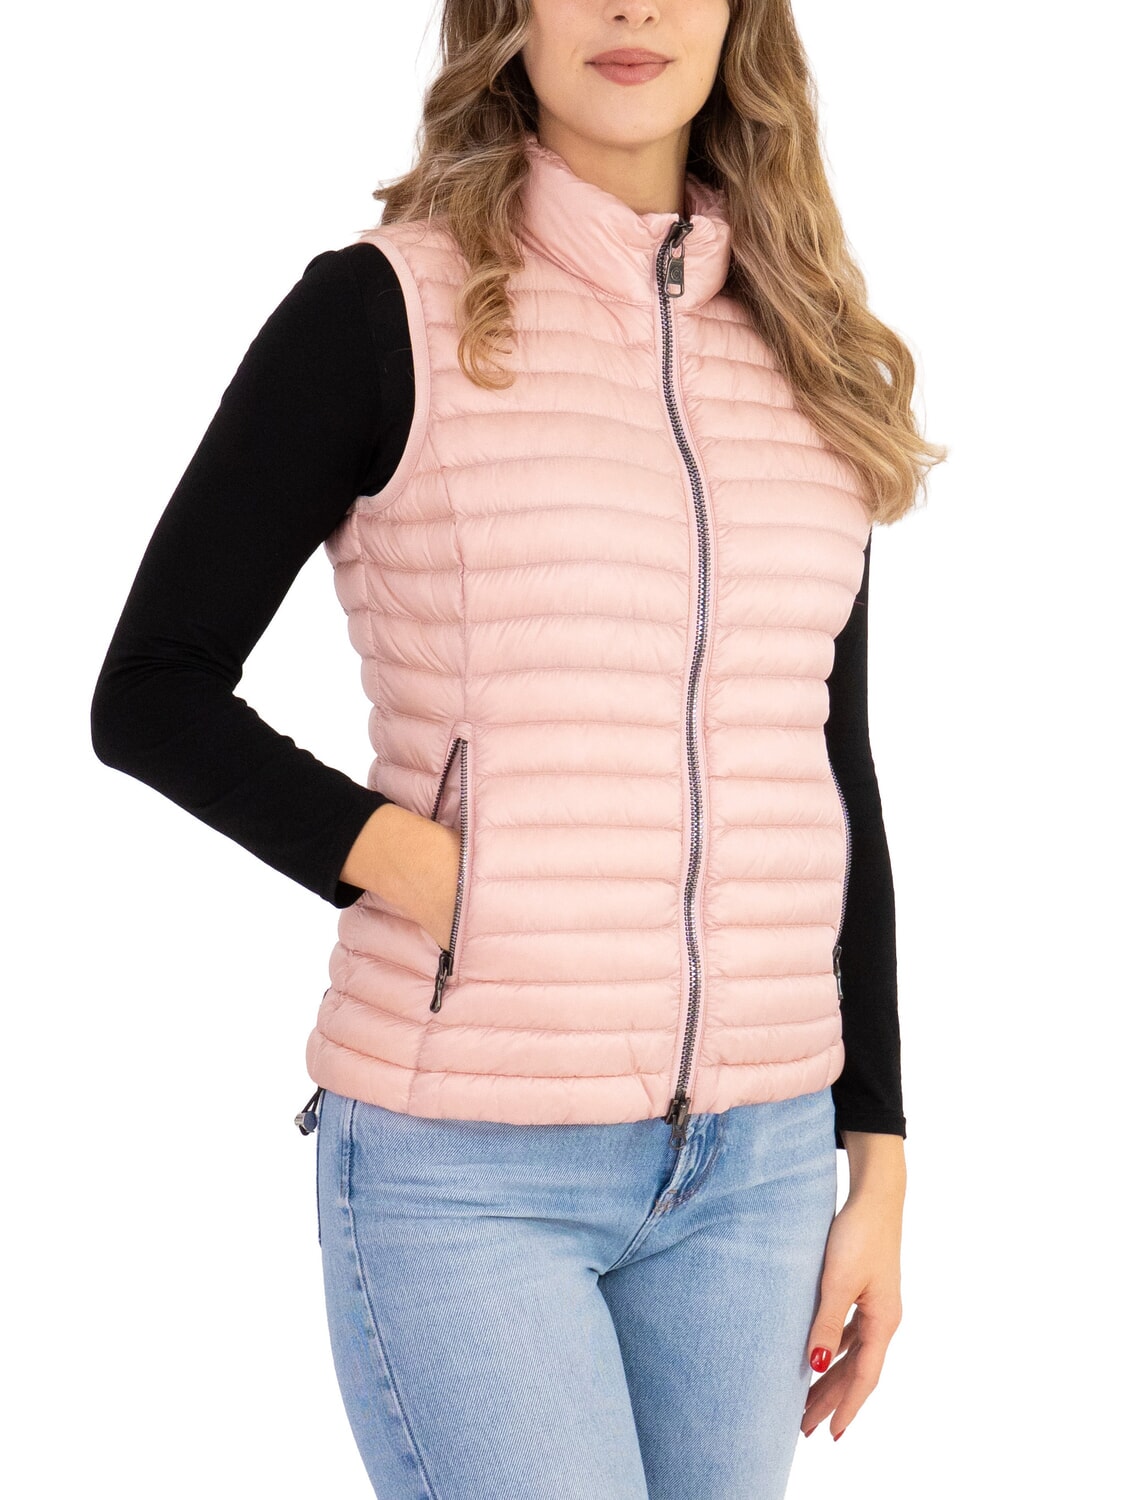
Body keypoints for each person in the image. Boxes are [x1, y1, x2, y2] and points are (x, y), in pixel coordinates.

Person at [90, 2, 944, 1495]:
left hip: (757, 1164)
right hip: (466, 1163)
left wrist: (874, 1152)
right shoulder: (385, 311)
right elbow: (152, 691)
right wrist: (434, 874)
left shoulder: (806, 348)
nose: (632, 8)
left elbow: (831, 768)